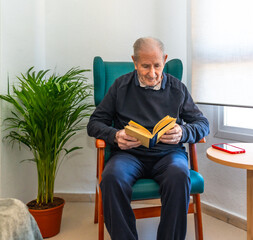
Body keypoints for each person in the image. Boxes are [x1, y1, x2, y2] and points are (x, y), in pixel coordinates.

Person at [87, 37, 210, 240]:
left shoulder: (177, 88)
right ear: (134, 62)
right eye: (145, 66)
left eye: (157, 66)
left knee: (179, 175)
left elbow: (202, 123)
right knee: (111, 178)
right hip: (129, 155)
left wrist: (183, 132)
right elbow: (94, 123)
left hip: (168, 155)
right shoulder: (120, 86)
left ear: (165, 60)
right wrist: (115, 135)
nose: (152, 73)